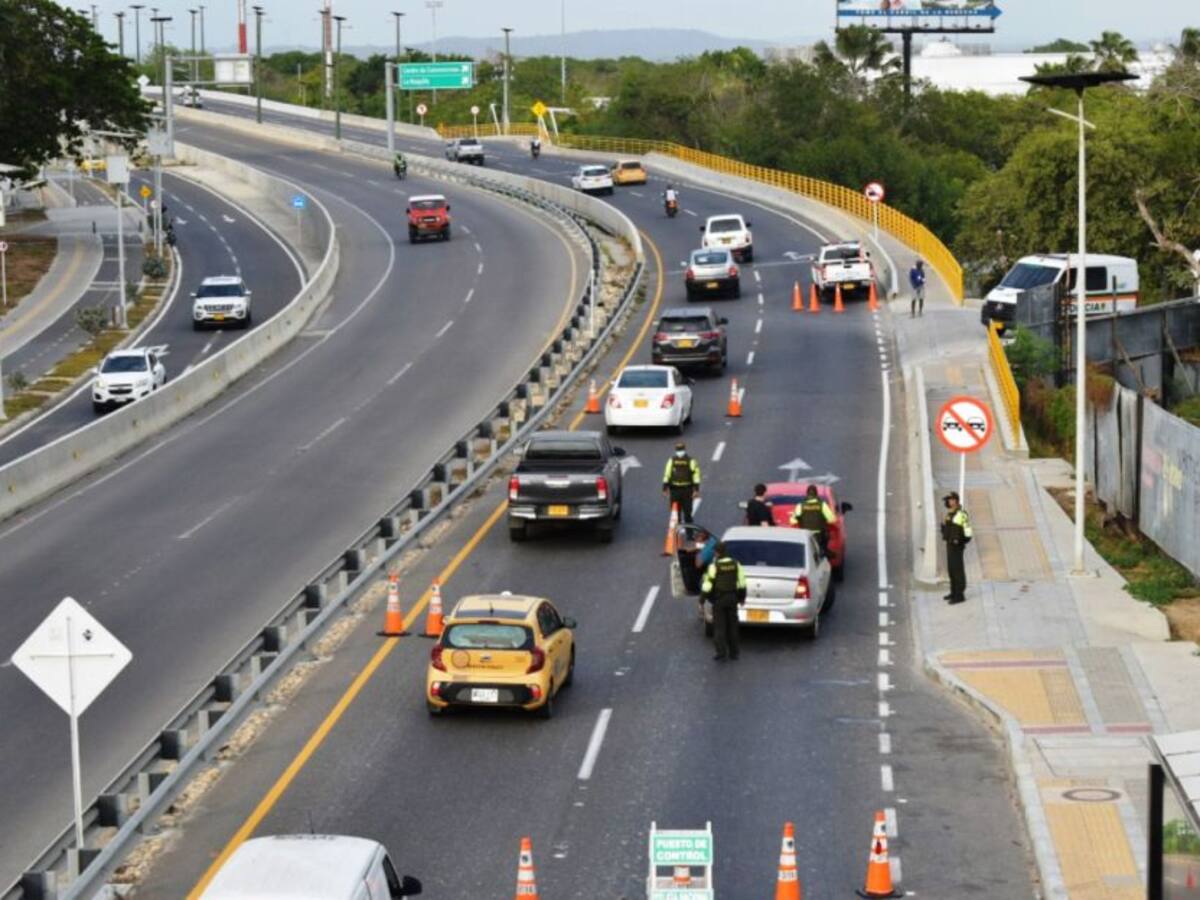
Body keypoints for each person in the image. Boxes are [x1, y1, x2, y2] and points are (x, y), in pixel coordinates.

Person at [701, 542, 747, 661]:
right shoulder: (736, 564)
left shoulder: (714, 566)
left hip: (719, 600)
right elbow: (742, 583)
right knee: (732, 626)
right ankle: (734, 653)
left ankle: (721, 653)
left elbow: (708, 584)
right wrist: (742, 598)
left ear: (717, 553)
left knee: (720, 627)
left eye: (715, 552)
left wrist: (702, 598)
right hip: (732, 599)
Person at [941, 491, 973, 604]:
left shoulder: (961, 514)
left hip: (957, 546)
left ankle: (959, 595)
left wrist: (960, 541)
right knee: (951, 569)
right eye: (947, 500)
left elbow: (967, 531)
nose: (948, 502)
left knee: (957, 570)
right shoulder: (950, 513)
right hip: (949, 544)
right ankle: (953, 592)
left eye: (950, 500)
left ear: (955, 501)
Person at [662, 442, 701, 524]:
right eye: (678, 450)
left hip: (686, 490)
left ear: (684, 450)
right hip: (675, 490)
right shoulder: (672, 461)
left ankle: (689, 535)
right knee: (675, 514)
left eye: (681, 450)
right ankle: (676, 534)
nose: (680, 452)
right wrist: (665, 488)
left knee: (687, 514)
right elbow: (667, 474)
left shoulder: (690, 461)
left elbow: (696, 476)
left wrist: (696, 490)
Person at [789, 485, 835, 552]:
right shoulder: (822, 505)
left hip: (805, 535)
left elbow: (792, 521)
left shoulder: (800, 506)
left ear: (807, 494)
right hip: (819, 536)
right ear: (816, 494)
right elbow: (832, 519)